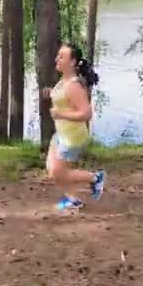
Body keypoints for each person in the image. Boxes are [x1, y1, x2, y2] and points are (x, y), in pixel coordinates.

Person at [44, 42, 106, 210]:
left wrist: (60, 114)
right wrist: (51, 93)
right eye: (58, 56)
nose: (57, 59)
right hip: (62, 134)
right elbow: (64, 99)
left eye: (61, 57)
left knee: (59, 172)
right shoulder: (64, 82)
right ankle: (73, 199)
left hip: (72, 138)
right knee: (52, 169)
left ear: (72, 62)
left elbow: (86, 114)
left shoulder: (73, 85)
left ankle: (95, 178)